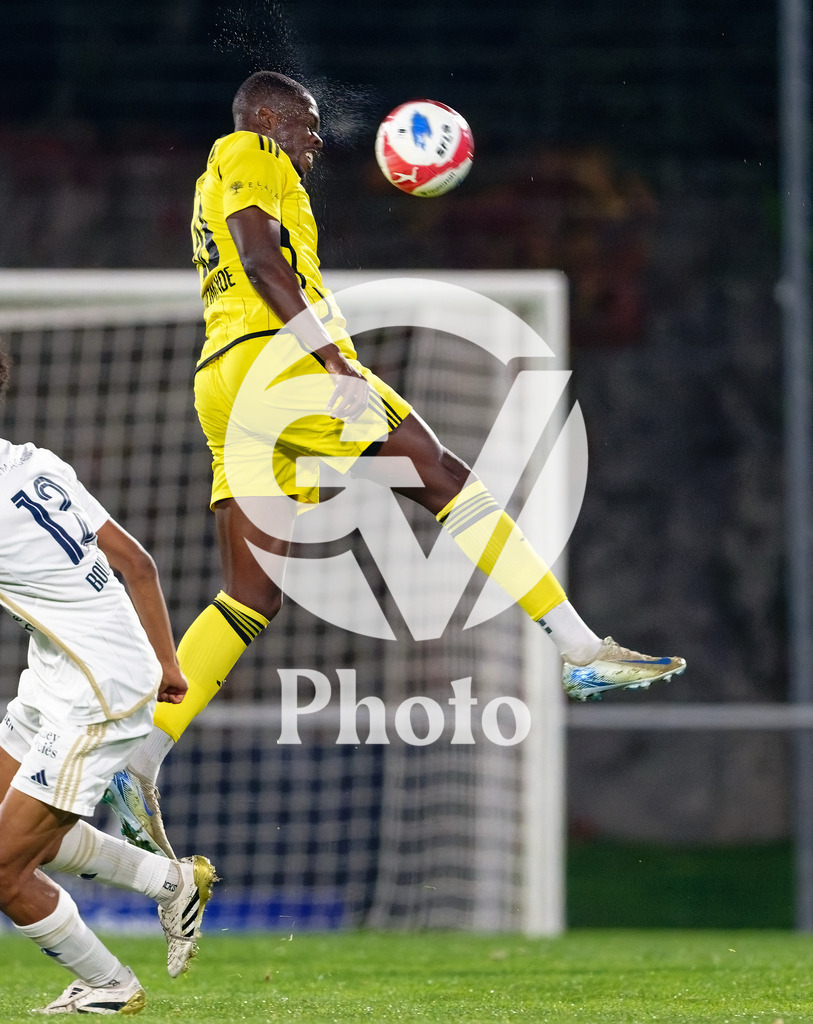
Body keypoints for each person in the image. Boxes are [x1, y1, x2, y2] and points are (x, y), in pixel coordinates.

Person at [110, 70, 685, 858]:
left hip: (224, 382)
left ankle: (140, 755)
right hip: (278, 365)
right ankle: (578, 648)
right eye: (306, 125)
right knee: (444, 477)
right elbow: (258, 261)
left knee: (250, 593)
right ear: (270, 117)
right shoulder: (248, 149)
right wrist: (336, 365)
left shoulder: (219, 178)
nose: (314, 142)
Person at [0, 349, 216, 1015]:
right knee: (16, 828)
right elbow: (139, 564)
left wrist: (151, 673)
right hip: (66, 672)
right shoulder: (35, 464)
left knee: (5, 868)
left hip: (95, 696)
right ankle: (169, 879)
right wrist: (168, 665)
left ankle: (109, 984)